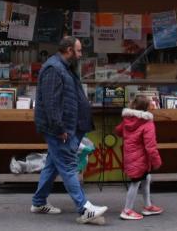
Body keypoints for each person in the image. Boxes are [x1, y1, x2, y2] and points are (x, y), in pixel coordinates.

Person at [31, 36, 108, 224]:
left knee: (53, 164)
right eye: (79, 50)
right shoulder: (53, 69)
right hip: (60, 129)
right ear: (68, 50)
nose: (81, 55)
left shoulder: (64, 67)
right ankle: (84, 208)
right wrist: (59, 128)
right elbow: (51, 103)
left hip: (67, 126)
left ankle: (39, 202)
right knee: (68, 166)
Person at [115, 94, 163, 220]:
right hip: (140, 158)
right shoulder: (147, 123)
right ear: (146, 107)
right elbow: (150, 146)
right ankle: (127, 210)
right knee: (135, 183)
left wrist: (129, 136)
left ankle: (148, 206)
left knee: (146, 178)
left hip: (130, 156)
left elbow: (118, 131)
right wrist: (157, 161)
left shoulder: (128, 120)